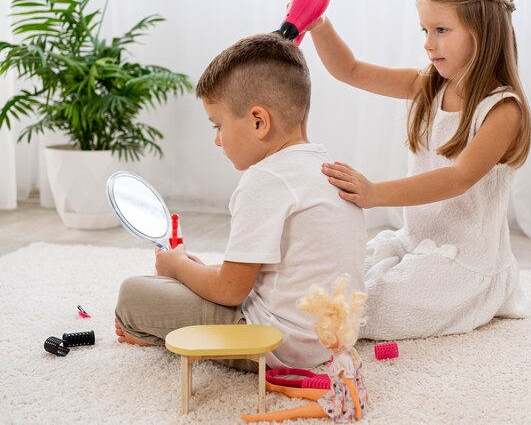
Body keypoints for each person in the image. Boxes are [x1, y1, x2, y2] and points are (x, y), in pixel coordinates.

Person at [306, 0, 531, 339]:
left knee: (370, 308)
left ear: (485, 31)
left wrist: (375, 193)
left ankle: (487, 295)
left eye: (441, 30)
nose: (428, 43)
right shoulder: (430, 85)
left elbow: (458, 178)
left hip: (466, 263)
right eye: (425, 30)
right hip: (416, 242)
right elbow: (350, 70)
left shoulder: (502, 109)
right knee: (334, 276)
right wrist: (319, 25)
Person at [114, 33, 367, 370]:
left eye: (218, 125)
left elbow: (232, 290)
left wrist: (176, 266)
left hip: (276, 345)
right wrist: (198, 271)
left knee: (132, 294)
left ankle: (149, 332)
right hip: (331, 340)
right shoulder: (326, 169)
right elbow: (268, 276)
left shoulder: (265, 180)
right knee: (199, 277)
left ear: (259, 121)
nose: (217, 140)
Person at [241, 274, 368, 423]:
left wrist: (358, 410)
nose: (321, 341)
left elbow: (352, 387)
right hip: (337, 393)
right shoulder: (349, 351)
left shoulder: (342, 360)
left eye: (325, 337)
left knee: (296, 412)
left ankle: (257, 418)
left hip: (341, 405)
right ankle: (275, 387)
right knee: (299, 391)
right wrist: (364, 397)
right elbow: (360, 381)